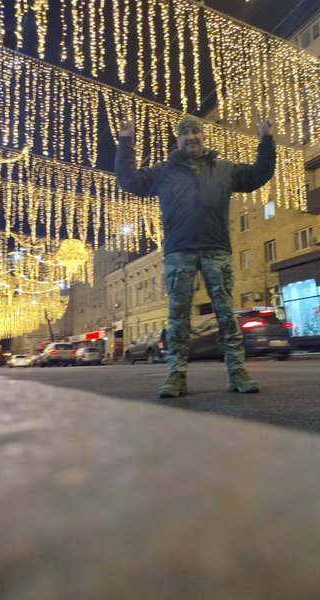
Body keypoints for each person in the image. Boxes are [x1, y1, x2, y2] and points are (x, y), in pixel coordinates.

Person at [115, 113, 276, 397]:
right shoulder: (164, 171)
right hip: (180, 251)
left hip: (216, 248)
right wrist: (126, 141)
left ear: (203, 136)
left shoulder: (224, 169)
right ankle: (176, 376)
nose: (191, 137)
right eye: (185, 133)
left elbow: (258, 175)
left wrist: (266, 139)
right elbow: (130, 181)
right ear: (178, 140)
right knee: (178, 317)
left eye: (195, 132)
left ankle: (237, 372)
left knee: (226, 314)